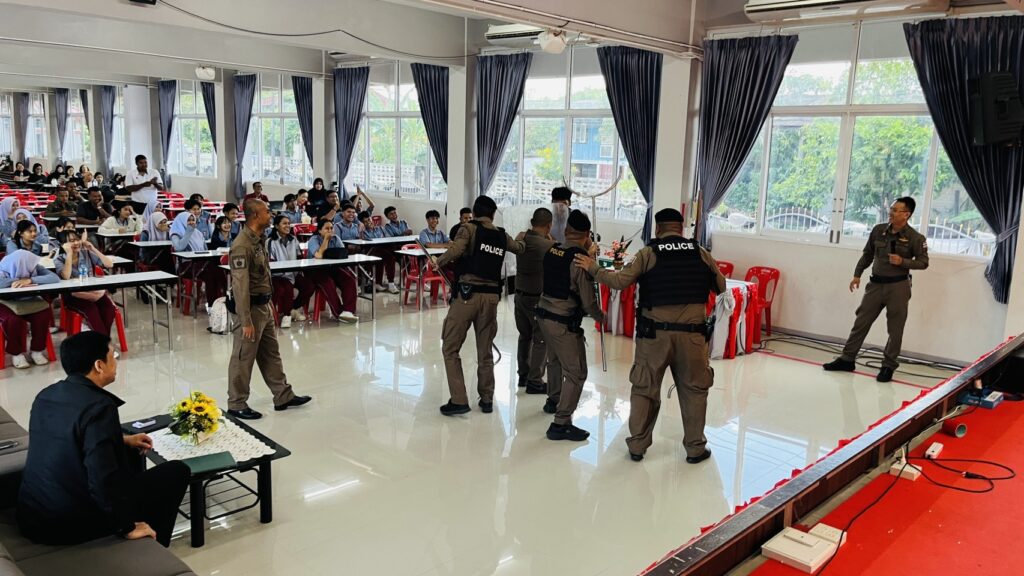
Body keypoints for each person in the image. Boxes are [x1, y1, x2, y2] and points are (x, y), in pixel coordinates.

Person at [575, 208, 726, 463]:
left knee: (645, 389)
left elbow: (620, 282)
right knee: (694, 391)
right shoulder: (700, 252)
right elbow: (721, 286)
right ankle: (695, 448)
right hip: (692, 338)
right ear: (681, 228)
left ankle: (637, 446)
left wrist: (593, 268)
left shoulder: (648, 253)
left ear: (657, 228)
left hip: (654, 336)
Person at [17, 331, 190, 546]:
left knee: (129, 454)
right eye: (113, 355)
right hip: (68, 523)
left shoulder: (47, 395)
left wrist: (123, 439)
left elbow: (66, 437)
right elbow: (101, 478)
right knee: (176, 472)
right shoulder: (99, 407)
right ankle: (153, 545)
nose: (116, 362)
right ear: (99, 365)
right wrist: (127, 526)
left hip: (33, 515)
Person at [430, 195, 525, 416]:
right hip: (491, 299)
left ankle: (459, 400)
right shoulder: (501, 235)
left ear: (474, 212)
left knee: (450, 347)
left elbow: (456, 251)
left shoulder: (468, 229)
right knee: (485, 349)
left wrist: (438, 262)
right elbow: (519, 248)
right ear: (493, 214)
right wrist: (524, 236)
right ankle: (487, 398)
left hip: (467, 296)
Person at [823, 197, 929, 383]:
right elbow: (868, 254)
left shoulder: (915, 238)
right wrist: (857, 274)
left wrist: (903, 261)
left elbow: (923, 262)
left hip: (898, 287)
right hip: (875, 285)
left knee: (895, 329)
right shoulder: (879, 231)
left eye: (895, 210)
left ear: (906, 214)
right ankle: (847, 359)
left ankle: (888, 366)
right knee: (861, 322)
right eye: (891, 209)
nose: (891, 212)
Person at [227, 199, 313, 420]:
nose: (271, 214)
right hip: (250, 309)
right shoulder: (242, 245)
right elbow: (240, 285)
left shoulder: (259, 240)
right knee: (243, 357)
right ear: (255, 215)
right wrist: (245, 320)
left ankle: (283, 395)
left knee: (271, 354)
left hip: (264, 305)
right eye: (267, 211)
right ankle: (236, 403)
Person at [536, 210, 604, 441]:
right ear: (587, 235)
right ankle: (561, 423)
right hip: (562, 321)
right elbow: (588, 301)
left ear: (566, 231)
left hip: (543, 315)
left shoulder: (552, 250)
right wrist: (601, 317)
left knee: (554, 360)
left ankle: (553, 400)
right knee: (576, 372)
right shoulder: (579, 260)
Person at [513, 208, 555, 394]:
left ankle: (523, 374)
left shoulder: (521, 239)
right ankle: (535, 381)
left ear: (531, 222)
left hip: (519, 296)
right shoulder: (547, 245)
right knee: (540, 339)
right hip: (537, 300)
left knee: (524, 336)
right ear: (549, 226)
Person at [0, 250, 58, 368]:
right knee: (13, 320)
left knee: (43, 313)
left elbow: (54, 277)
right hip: (4, 302)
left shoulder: (34, 266)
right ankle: (16, 353)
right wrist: (16, 280)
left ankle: (37, 350)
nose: (31, 268)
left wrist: (30, 280)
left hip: (27, 300)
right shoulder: (3, 268)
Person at [54, 230, 117, 336]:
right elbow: (66, 276)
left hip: (92, 292)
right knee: (92, 310)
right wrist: (69, 253)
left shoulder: (86, 253)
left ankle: (102, 341)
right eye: (71, 241)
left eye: (77, 239)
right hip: (73, 296)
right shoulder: (59, 259)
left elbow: (109, 264)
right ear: (63, 244)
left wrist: (93, 249)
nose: (76, 243)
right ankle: (104, 343)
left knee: (108, 309)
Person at [305, 220, 359, 323]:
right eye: (327, 228)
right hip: (315, 270)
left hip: (332, 268)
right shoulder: (313, 240)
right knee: (328, 283)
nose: (330, 231)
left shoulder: (336, 238)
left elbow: (343, 253)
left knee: (349, 280)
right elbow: (319, 255)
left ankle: (348, 311)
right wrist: (326, 240)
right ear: (320, 230)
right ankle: (339, 313)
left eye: (331, 228)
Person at [170, 212, 225, 308]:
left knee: (219, 270)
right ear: (182, 221)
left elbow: (205, 249)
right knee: (210, 274)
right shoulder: (176, 234)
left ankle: (225, 300)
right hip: (185, 266)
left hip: (200, 263)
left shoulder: (198, 233)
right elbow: (179, 247)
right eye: (188, 220)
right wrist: (188, 232)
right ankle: (212, 306)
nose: (191, 222)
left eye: (193, 220)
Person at [267, 214, 313, 329]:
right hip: (277, 275)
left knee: (309, 286)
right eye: (284, 223)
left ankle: (293, 308)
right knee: (287, 288)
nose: (287, 226)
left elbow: (299, 257)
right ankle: (287, 315)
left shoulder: (294, 239)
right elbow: (271, 262)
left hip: (293, 273)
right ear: (276, 226)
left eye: (289, 223)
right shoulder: (270, 241)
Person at [360, 211, 399, 294]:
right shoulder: (363, 232)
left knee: (392, 255)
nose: (368, 222)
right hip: (371, 251)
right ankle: (391, 284)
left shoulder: (380, 228)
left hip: (383, 250)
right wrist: (361, 230)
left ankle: (380, 283)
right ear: (362, 224)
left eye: (369, 219)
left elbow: (388, 238)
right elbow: (362, 243)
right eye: (365, 222)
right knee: (389, 257)